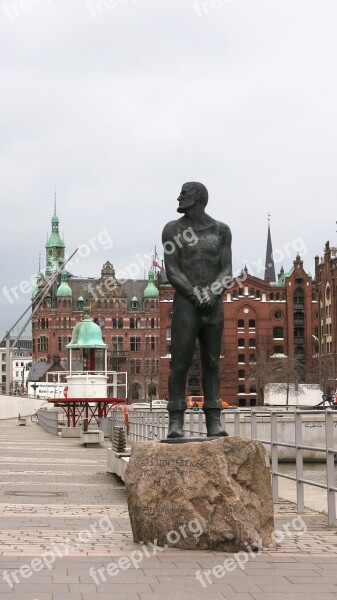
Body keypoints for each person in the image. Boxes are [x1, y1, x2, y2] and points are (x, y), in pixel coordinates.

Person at [162, 182, 232, 438]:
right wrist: (194, 293)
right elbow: (172, 270)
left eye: (184, 193)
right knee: (179, 363)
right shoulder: (172, 230)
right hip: (186, 305)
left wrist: (212, 292)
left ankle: (213, 420)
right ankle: (176, 422)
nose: (178, 197)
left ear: (198, 198)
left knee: (212, 362)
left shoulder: (221, 230)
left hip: (213, 305)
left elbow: (227, 271)